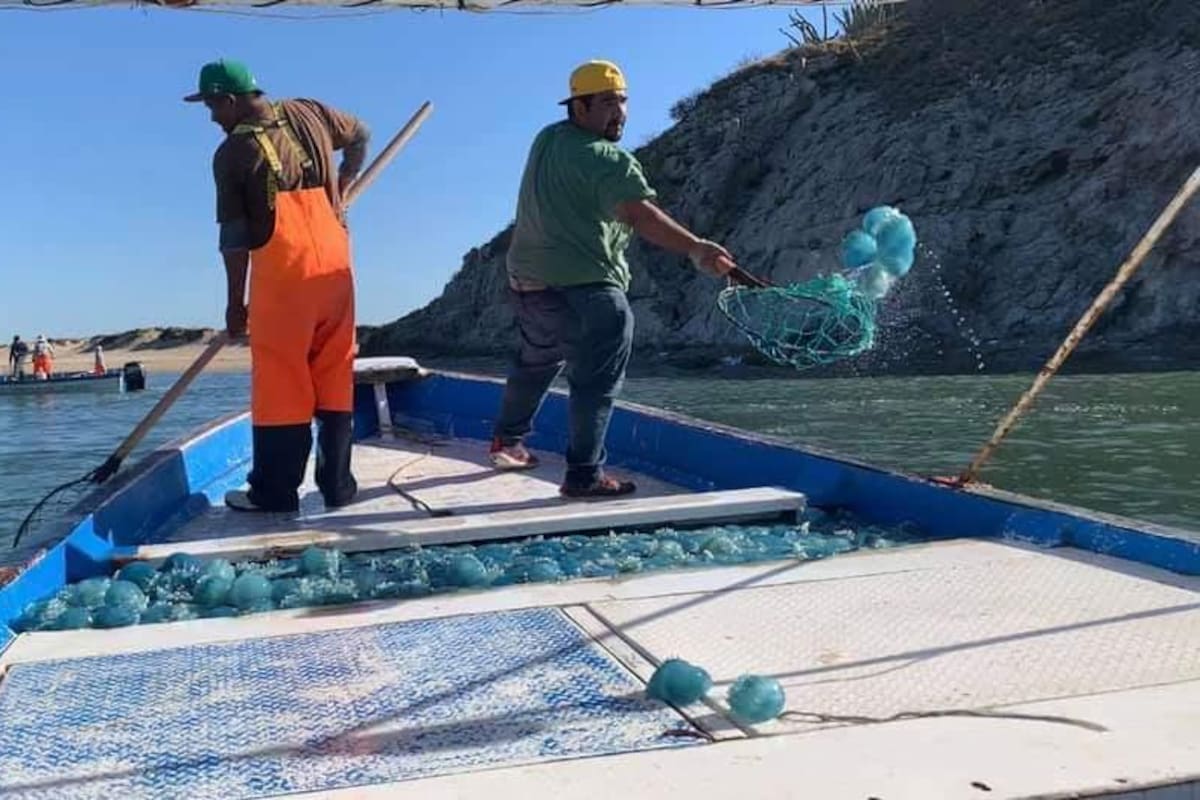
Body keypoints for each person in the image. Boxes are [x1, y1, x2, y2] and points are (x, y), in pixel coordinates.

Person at [490, 59, 746, 498]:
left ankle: (507, 442)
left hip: (528, 285)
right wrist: (696, 248)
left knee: (537, 361)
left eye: (623, 101)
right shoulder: (610, 161)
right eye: (608, 103)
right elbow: (639, 215)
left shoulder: (547, 138)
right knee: (595, 382)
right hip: (588, 288)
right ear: (579, 107)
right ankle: (584, 476)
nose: (620, 113)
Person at [185, 58, 370, 513]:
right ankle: (338, 487)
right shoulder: (311, 112)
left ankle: (274, 493)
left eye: (212, 106)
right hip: (335, 273)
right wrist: (343, 185)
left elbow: (234, 239)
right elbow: (361, 134)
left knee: (282, 383)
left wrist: (235, 304)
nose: (212, 117)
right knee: (335, 375)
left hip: (285, 281)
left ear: (231, 100)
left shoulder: (231, 154)